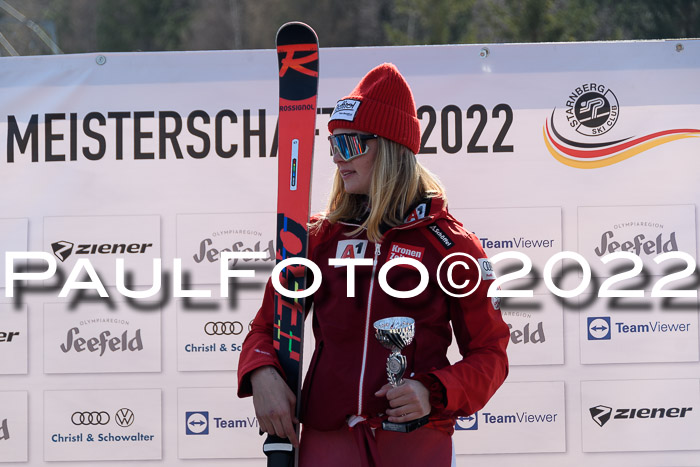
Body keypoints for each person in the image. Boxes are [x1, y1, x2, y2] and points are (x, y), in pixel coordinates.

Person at [237, 63, 509, 466]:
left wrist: (433, 390)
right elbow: (266, 326)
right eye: (333, 145)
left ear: (390, 148)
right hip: (329, 437)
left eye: (349, 144)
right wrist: (261, 372)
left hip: (414, 439)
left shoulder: (450, 245)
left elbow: (489, 354)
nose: (337, 158)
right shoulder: (319, 238)